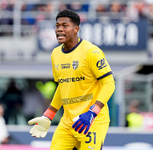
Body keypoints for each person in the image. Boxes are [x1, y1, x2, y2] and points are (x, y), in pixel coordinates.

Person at [28, 9, 115, 150]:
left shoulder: (91, 52)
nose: (59, 29)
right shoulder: (55, 54)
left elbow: (109, 83)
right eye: (57, 26)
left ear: (76, 29)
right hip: (68, 123)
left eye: (65, 25)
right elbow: (62, 87)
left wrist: (93, 112)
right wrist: (48, 115)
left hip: (92, 121)